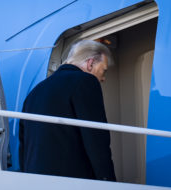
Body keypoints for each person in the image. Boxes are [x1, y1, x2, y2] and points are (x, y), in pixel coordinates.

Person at [19, 40, 116, 181]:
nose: (103, 78)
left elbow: (24, 147)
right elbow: (96, 139)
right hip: (72, 181)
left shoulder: (34, 93)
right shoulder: (85, 81)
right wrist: (108, 181)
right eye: (103, 70)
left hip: (35, 182)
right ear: (90, 63)